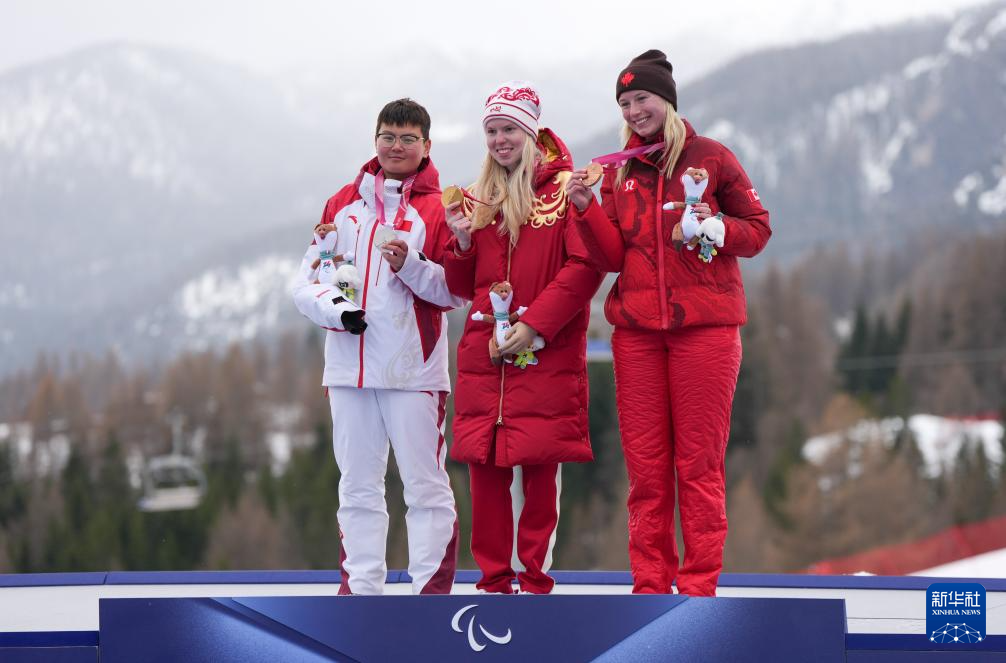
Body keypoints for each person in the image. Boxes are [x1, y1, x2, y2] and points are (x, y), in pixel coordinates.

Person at [566, 50, 771, 596]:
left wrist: (717, 226)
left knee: (698, 466)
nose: (635, 111)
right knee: (646, 471)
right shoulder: (618, 170)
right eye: (625, 102)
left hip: (705, 330)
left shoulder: (712, 157)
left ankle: (699, 587)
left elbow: (757, 229)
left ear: (668, 101)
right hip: (636, 334)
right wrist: (585, 206)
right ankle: (650, 587)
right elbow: (612, 256)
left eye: (643, 99)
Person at [291, 98, 466, 595]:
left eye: (408, 138)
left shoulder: (439, 208)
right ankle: (360, 592)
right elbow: (308, 282)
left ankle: (430, 595)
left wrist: (410, 265)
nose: (396, 146)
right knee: (357, 487)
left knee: (425, 486)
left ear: (426, 146)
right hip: (349, 368)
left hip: (413, 371)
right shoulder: (343, 204)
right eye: (388, 136)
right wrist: (338, 312)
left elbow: (456, 291)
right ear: (375, 140)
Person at [443, 81, 603, 595]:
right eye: (491, 130)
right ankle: (493, 581)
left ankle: (535, 580)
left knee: (539, 472)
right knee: (485, 474)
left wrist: (535, 325)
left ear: (531, 134)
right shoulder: (476, 198)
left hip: (545, 352)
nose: (499, 140)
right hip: (485, 355)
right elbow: (461, 286)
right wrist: (461, 242)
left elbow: (586, 267)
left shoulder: (563, 193)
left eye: (509, 128)